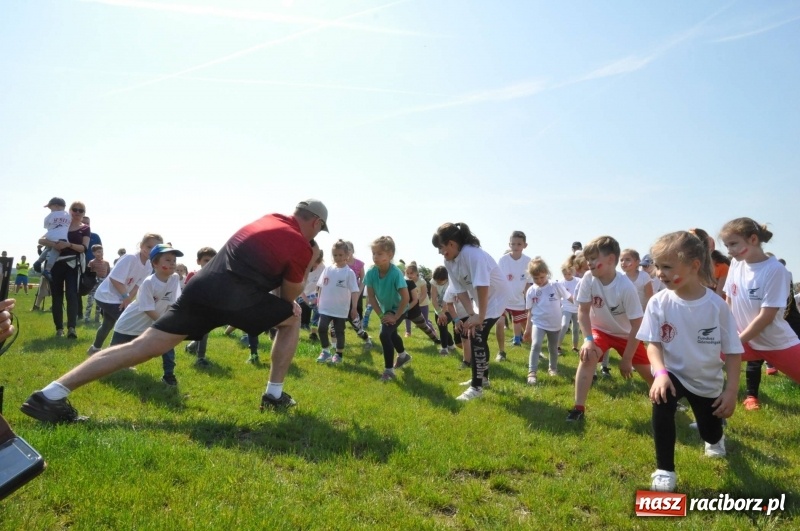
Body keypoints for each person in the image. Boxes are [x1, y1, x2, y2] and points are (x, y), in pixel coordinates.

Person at [21, 199, 328, 423]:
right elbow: (289, 297)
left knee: (142, 346)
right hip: (237, 296)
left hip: (203, 287)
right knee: (292, 317)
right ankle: (274, 395)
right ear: (315, 223)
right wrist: (307, 261)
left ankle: (50, 394)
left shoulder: (269, 217)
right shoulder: (300, 244)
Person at [637, 231, 742, 493]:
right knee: (661, 399)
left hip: (707, 381)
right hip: (673, 373)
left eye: (667, 267)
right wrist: (660, 373)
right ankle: (665, 470)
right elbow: (653, 344)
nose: (660, 273)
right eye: (657, 266)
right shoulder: (658, 302)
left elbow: (733, 351)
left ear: (694, 265)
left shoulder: (717, 306)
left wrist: (731, 391)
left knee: (710, 432)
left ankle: (715, 439)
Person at [567, 235, 653, 421]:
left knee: (651, 376)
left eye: (593, 258)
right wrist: (588, 340)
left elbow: (637, 325)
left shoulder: (625, 287)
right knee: (587, 356)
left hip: (627, 335)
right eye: (588, 259)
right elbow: (583, 311)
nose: (589, 263)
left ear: (610, 259)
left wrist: (627, 359)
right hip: (601, 331)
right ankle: (578, 409)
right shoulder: (588, 278)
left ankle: (667, 402)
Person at [720, 217, 800, 411]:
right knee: (703, 363)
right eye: (726, 245)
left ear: (753, 239)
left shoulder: (775, 270)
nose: (729, 250)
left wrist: (737, 341)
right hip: (743, 340)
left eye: (733, 244)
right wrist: (727, 334)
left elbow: (766, 317)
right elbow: (729, 302)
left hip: (775, 343)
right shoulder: (736, 264)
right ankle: (711, 420)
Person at [432, 222, 510, 401]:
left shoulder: (472, 254)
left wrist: (479, 317)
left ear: (451, 243)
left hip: (496, 296)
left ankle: (476, 387)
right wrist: (472, 314)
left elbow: (483, 286)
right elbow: (460, 290)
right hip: (481, 298)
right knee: (476, 332)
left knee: (476, 333)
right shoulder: (449, 261)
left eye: (441, 248)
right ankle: (483, 379)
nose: (440, 252)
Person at [109, 244, 184, 385]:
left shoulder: (174, 278)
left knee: (167, 345)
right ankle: (100, 371)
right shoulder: (149, 283)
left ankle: (169, 376)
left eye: (174, 260)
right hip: (129, 325)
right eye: (168, 260)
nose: (173, 263)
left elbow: (171, 303)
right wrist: (165, 323)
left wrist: (168, 323)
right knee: (112, 357)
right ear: (155, 263)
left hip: (156, 322)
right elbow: (147, 309)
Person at [86, 234, 163, 355]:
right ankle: (112, 356)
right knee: (127, 324)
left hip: (120, 298)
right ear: (141, 245)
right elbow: (114, 279)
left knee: (107, 324)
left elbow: (137, 285)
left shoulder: (149, 265)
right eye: (148, 246)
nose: (150, 250)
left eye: (155, 248)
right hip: (106, 296)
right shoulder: (130, 258)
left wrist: (128, 299)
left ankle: (94, 349)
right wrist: (125, 297)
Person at [38, 201, 91, 339]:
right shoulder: (61, 223)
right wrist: (55, 244)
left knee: (72, 295)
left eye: (81, 210)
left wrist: (68, 245)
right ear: (70, 210)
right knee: (57, 296)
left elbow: (84, 248)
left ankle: (72, 328)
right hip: (55, 264)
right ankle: (59, 329)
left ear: (84, 213)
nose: (77, 212)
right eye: (75, 209)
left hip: (72, 265)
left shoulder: (85, 228)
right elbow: (41, 240)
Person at [364, 236, 411, 382]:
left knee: (384, 334)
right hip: (386, 310)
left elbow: (406, 298)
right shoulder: (371, 273)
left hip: (400, 309)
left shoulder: (395, 273)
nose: (375, 257)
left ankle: (389, 371)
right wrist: (382, 315)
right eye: (374, 253)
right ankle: (403, 356)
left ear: (390, 255)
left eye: (379, 253)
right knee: (391, 333)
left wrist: (395, 316)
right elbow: (371, 297)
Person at [524, 258, 571, 385]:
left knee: (553, 348)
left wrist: (581, 306)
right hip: (538, 323)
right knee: (536, 345)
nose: (539, 280)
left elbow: (570, 297)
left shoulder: (555, 286)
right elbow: (529, 311)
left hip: (554, 325)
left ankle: (553, 368)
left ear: (547, 273)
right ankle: (532, 372)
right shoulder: (531, 291)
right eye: (536, 278)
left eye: (542, 277)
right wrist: (527, 329)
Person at [315, 240, 360, 364]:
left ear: (347, 255)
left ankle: (338, 354)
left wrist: (354, 308)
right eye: (335, 255)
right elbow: (320, 286)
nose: (338, 257)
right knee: (321, 328)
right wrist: (318, 300)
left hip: (340, 309)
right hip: (325, 307)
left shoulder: (349, 273)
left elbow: (354, 291)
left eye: (340, 255)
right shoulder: (328, 269)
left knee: (339, 331)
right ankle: (325, 351)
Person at [495, 231, 532, 360]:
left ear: (525, 245)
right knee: (500, 323)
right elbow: (497, 280)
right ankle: (501, 352)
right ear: (509, 244)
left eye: (519, 244)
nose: (516, 246)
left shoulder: (528, 261)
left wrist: (528, 302)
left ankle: (535, 351)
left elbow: (528, 284)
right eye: (513, 244)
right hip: (503, 299)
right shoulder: (503, 260)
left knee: (527, 327)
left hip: (519, 301)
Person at [183, 247, 218, 367]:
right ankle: (200, 358)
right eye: (206, 260)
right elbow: (186, 292)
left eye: (212, 260)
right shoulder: (193, 274)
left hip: (208, 309)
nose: (209, 263)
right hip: (194, 309)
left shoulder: (216, 276)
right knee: (202, 332)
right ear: (199, 261)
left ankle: (190, 347)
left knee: (203, 332)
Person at [35, 197, 71, 283]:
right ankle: (47, 269)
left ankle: (39, 261)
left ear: (56, 206)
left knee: (48, 248)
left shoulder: (50, 215)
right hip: (61, 236)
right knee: (56, 250)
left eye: (50, 208)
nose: (50, 210)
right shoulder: (68, 215)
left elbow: (46, 226)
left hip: (49, 235)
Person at [403, 263, 441, 345]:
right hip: (411, 305)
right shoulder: (405, 281)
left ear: (417, 273)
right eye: (407, 273)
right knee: (407, 318)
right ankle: (408, 332)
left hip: (423, 304)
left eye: (411, 273)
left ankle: (433, 333)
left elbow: (424, 294)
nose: (409, 275)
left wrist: (417, 303)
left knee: (425, 321)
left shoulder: (421, 281)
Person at [556, 258, 581, 354]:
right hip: (566, 308)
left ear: (573, 272)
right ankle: (557, 346)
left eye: (569, 274)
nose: (567, 276)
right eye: (565, 274)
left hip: (577, 308)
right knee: (564, 325)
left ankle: (575, 347)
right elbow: (558, 296)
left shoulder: (579, 281)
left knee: (576, 328)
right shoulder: (560, 283)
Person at [430, 266, 456, 355]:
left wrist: (443, 313)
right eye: (437, 281)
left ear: (446, 279)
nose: (438, 283)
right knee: (441, 327)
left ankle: (444, 348)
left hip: (450, 307)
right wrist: (439, 312)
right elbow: (433, 299)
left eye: (440, 281)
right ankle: (451, 344)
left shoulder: (451, 281)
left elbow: (447, 301)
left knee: (442, 324)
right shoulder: (433, 282)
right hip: (438, 307)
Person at [300, 248, 324, 341]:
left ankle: (314, 331)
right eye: (312, 264)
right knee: (304, 306)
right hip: (301, 294)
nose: (313, 267)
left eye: (316, 265)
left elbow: (322, 286)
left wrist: (317, 298)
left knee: (319, 309)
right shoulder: (302, 268)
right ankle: (303, 324)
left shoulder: (323, 268)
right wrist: (308, 301)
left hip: (315, 295)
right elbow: (299, 288)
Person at [84, 245, 110, 324]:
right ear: (93, 253)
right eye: (98, 252)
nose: (100, 253)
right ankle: (87, 317)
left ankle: (97, 318)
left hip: (102, 284)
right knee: (90, 301)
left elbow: (108, 274)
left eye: (102, 252)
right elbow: (88, 273)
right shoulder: (92, 262)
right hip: (94, 284)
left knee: (100, 302)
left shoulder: (106, 263)